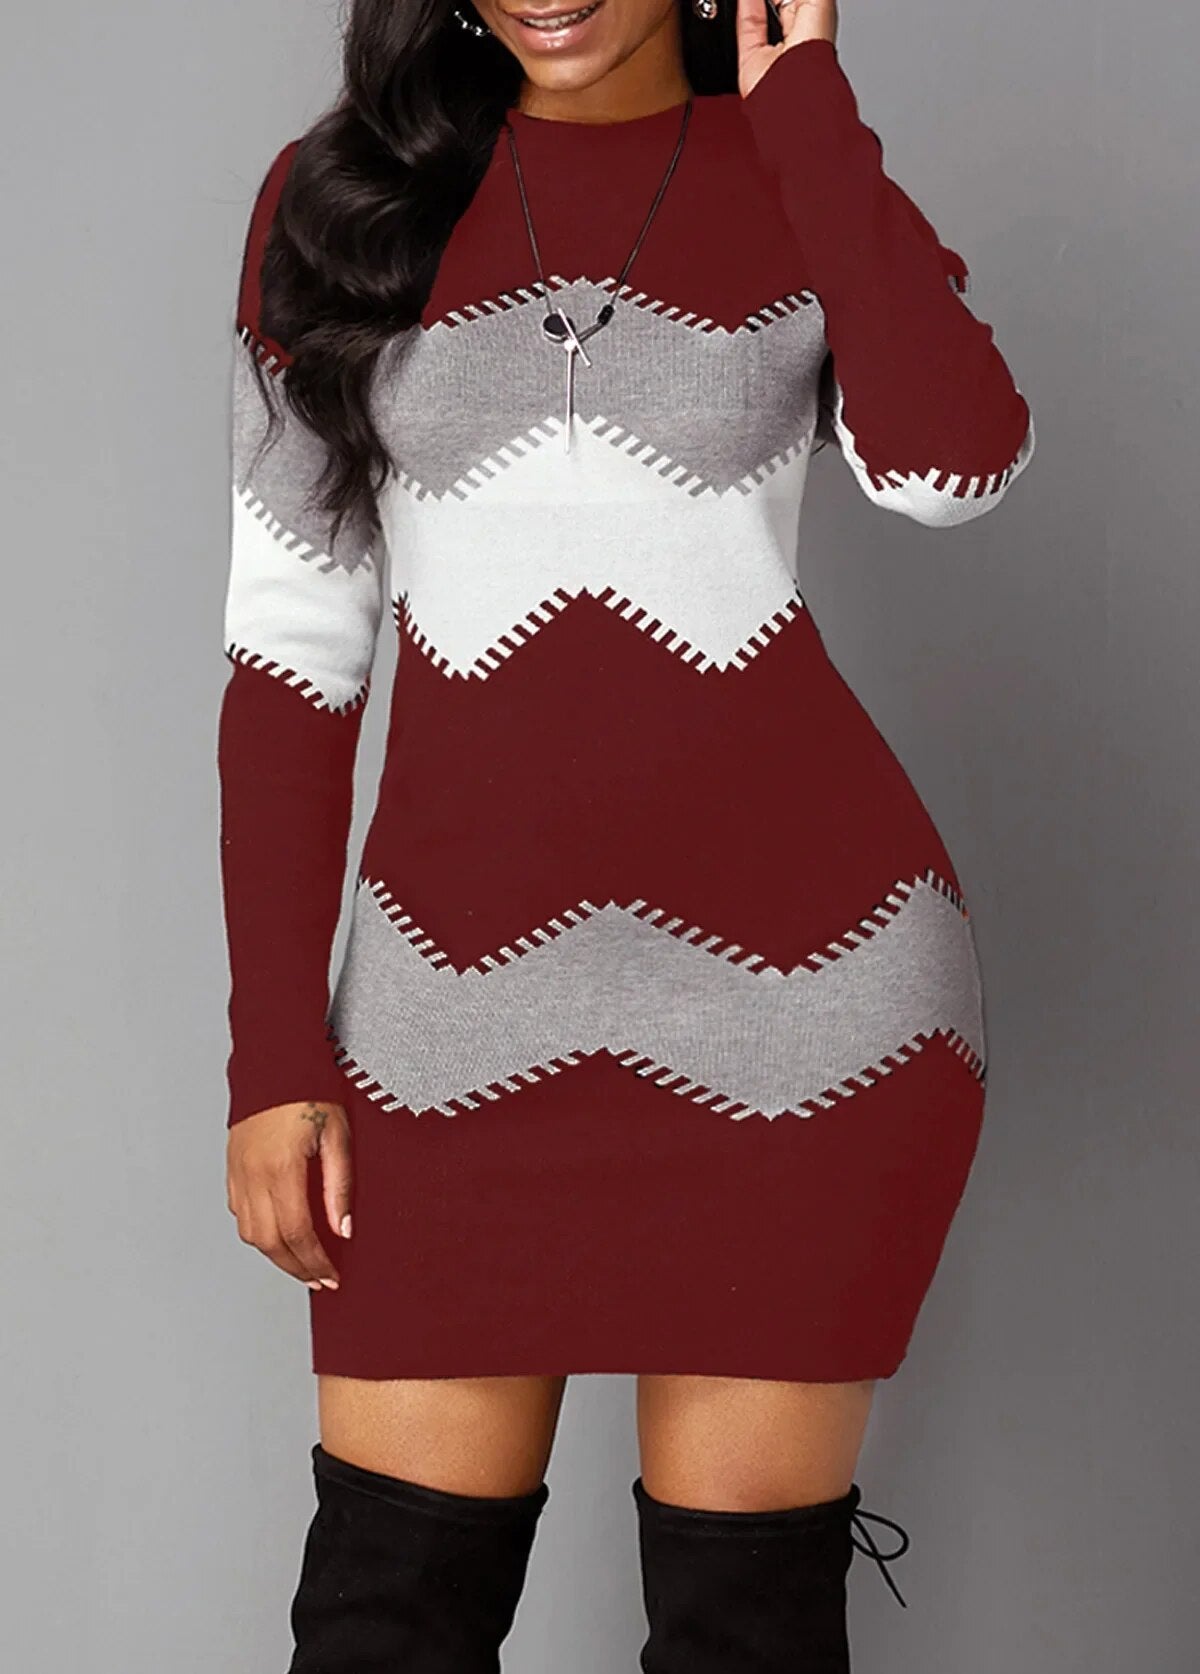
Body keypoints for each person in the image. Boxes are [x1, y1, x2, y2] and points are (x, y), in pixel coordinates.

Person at [217, 0, 1035, 1664]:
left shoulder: (793, 166)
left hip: (810, 1009)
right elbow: (291, 658)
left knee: (745, 1630)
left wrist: (807, 110)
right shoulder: (344, 203)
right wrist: (273, 1055)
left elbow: (956, 467)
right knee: (386, 1617)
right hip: (451, 1011)